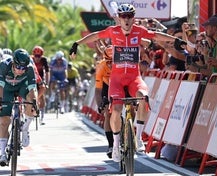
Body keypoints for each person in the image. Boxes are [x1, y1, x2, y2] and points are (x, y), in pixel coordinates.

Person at [69, 3, 186, 162]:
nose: (126, 19)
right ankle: (116, 145)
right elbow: (96, 35)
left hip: (134, 78)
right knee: (116, 109)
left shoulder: (139, 31)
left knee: (144, 98)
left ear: (133, 18)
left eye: (129, 16)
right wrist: (77, 43)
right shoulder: (113, 31)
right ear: (118, 18)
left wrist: (176, 40)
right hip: (116, 79)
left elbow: (157, 35)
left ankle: (138, 138)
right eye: (123, 16)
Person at [0, 48, 38, 166]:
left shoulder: (30, 68)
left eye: (24, 68)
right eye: (18, 67)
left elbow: (32, 88)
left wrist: (34, 102)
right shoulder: (3, 66)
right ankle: (2, 153)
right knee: (4, 121)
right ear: (13, 63)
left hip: (21, 87)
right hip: (6, 89)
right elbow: (0, 87)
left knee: (31, 102)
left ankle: (25, 128)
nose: (21, 70)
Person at [95, 45, 114, 158]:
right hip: (107, 86)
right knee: (108, 113)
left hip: (121, 83)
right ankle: (111, 144)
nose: (111, 64)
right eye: (108, 61)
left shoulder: (123, 63)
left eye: (113, 61)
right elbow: (98, 90)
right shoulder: (101, 66)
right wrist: (99, 105)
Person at [32, 46, 50, 124]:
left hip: (40, 78)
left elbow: (47, 72)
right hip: (32, 78)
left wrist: (47, 82)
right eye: (36, 56)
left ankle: (42, 117)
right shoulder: (30, 59)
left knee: (42, 97)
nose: (37, 58)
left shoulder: (44, 60)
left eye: (39, 56)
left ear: (41, 56)